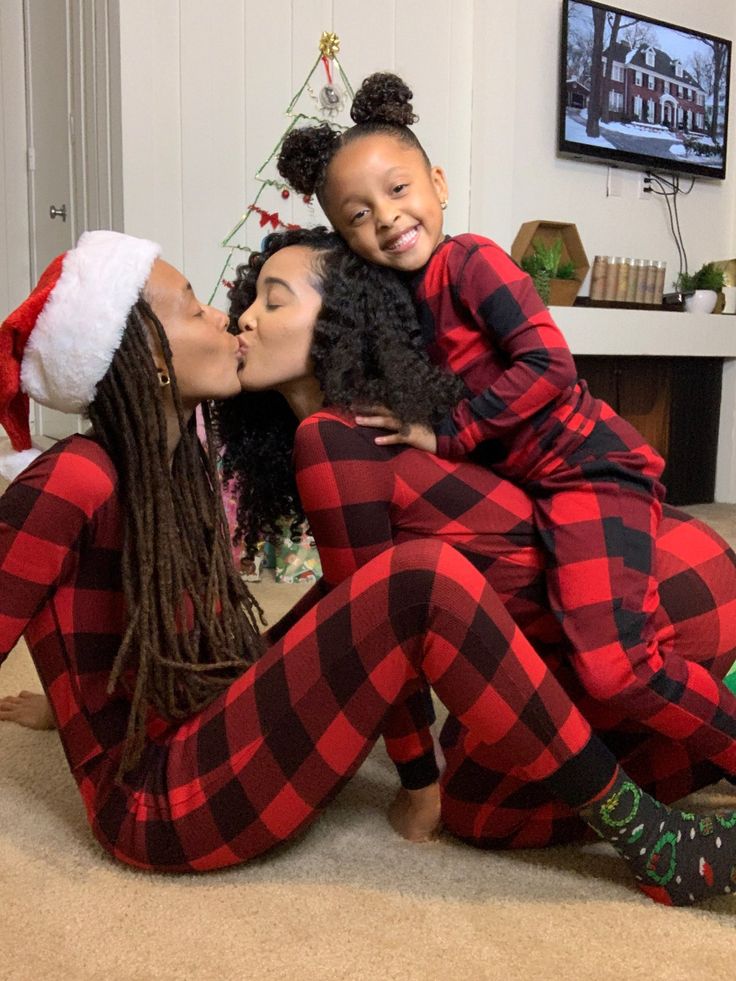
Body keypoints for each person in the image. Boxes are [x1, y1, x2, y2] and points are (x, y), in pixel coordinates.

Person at [208, 225, 736, 905]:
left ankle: (699, 720)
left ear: (346, 322)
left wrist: (416, 785)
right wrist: (226, 671)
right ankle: (711, 696)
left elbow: (366, 644)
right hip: (655, 575)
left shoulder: (335, 437)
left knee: (473, 810)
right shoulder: (377, 423)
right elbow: (346, 609)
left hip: (652, 600)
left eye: (273, 302)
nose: (245, 316)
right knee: (481, 746)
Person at [275, 72, 736, 790]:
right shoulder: (397, 308)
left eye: (398, 191)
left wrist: (450, 432)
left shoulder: (472, 259)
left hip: (586, 469)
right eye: (358, 215)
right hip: (529, 486)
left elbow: (549, 364)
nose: (386, 218)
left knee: (615, 663)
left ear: (438, 183)